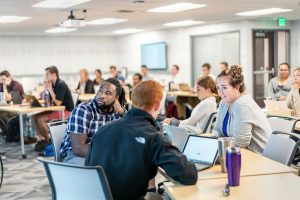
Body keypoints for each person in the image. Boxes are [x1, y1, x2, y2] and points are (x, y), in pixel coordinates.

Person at [85, 80, 197, 200]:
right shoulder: (153, 137)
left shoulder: (102, 131)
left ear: (133, 101)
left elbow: (88, 169)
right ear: (158, 105)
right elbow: (189, 175)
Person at [60, 78, 127, 165]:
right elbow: (78, 148)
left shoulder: (117, 112)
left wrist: (122, 112)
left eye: (108, 93)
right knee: (108, 169)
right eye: (100, 90)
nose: (102, 95)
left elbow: (132, 132)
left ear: (116, 98)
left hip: (101, 153)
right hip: (74, 156)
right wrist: (108, 157)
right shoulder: (84, 110)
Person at [212, 65, 271, 154]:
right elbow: (218, 130)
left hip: (257, 157)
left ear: (236, 87)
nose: (220, 92)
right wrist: (210, 142)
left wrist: (218, 147)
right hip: (236, 151)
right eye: (218, 88)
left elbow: (241, 143)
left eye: (224, 87)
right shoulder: (224, 102)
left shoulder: (242, 105)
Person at [32, 66, 74, 152]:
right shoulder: (53, 84)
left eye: (47, 74)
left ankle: (48, 141)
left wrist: (50, 89)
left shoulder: (60, 84)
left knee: (40, 120)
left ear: (54, 74)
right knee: (34, 117)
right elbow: (50, 101)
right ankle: (43, 139)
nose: (46, 77)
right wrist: (47, 87)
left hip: (65, 111)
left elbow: (58, 103)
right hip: (57, 109)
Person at [0, 70, 25, 141]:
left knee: (2, 114)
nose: (2, 81)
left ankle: (11, 134)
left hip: (19, 110)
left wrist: (4, 86)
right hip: (10, 108)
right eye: (1, 80)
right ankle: (6, 132)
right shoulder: (2, 85)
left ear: (9, 77)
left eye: (4, 79)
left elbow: (8, 98)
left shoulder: (16, 85)